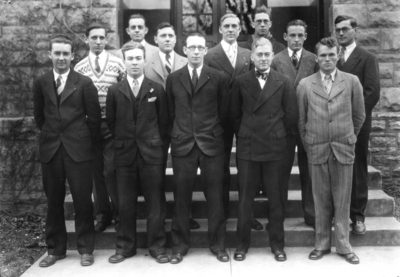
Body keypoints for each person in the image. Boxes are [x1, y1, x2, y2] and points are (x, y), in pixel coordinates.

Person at [33, 34, 101, 267]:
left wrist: (79, 139)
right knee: (54, 201)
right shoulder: (41, 82)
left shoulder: (84, 83)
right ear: (49, 55)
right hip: (51, 149)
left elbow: (94, 119)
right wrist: (55, 135)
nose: (61, 58)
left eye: (66, 53)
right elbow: (40, 118)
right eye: (57, 53)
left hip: (78, 150)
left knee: (82, 200)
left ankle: (85, 249)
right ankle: (56, 249)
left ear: (73, 56)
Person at [297, 37, 365, 264]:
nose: (327, 59)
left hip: (343, 148)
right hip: (317, 149)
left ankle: (344, 246)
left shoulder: (352, 81)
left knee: (343, 199)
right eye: (323, 55)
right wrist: (310, 143)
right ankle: (322, 243)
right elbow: (301, 120)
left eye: (331, 54)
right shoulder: (306, 84)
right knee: (320, 198)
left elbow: (359, 116)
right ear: (316, 58)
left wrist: (349, 137)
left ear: (338, 56)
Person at [230, 37, 298, 262]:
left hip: (274, 147)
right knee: (245, 200)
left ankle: (278, 245)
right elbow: (234, 114)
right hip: (248, 147)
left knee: (276, 199)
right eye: (259, 54)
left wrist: (275, 131)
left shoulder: (284, 81)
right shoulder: (241, 81)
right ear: (252, 56)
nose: (263, 58)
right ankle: (241, 245)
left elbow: (291, 115)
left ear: (272, 56)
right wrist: (247, 132)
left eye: (267, 54)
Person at [166, 32, 230, 264]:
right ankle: (180, 246)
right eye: (191, 47)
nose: (195, 51)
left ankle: (218, 245)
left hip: (211, 143)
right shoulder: (174, 78)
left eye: (199, 48)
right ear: (185, 50)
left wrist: (211, 131)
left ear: (205, 50)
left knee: (215, 197)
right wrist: (181, 132)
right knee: (181, 198)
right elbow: (171, 112)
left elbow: (224, 111)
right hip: (183, 143)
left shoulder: (218, 77)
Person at [106, 43, 169, 264]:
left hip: (151, 154)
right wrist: (125, 142)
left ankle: (157, 247)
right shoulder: (115, 90)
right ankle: (125, 247)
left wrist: (153, 143)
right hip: (125, 155)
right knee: (125, 204)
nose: (134, 62)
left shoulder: (156, 89)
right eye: (130, 59)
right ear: (124, 62)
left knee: (155, 204)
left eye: (138, 58)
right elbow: (111, 123)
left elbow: (164, 123)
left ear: (144, 61)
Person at [144, 22, 200, 229]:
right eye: (163, 36)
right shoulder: (145, 65)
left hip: (183, 128)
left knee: (183, 175)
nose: (167, 39)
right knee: (157, 174)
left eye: (170, 35)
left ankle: (185, 215)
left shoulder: (189, 62)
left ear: (176, 40)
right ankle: (160, 215)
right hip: (156, 127)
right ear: (155, 40)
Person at [74, 22, 125, 233]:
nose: (97, 41)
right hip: (89, 127)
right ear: (86, 39)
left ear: (106, 40)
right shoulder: (79, 68)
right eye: (93, 37)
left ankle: (120, 214)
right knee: (96, 173)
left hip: (112, 125)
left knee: (111, 170)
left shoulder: (118, 64)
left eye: (101, 38)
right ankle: (103, 215)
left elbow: (124, 93)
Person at [204, 13, 253, 228]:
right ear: (220, 30)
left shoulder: (248, 55)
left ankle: (246, 215)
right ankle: (220, 213)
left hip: (243, 118)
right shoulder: (210, 55)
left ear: (240, 30)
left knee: (246, 167)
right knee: (220, 167)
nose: (231, 29)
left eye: (235, 26)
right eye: (227, 26)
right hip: (219, 119)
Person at [334, 15, 380, 235]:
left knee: (357, 167)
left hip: (357, 125)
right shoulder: (331, 57)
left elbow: (372, 93)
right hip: (332, 123)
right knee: (334, 168)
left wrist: (354, 121)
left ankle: (358, 216)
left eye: (345, 29)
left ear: (355, 30)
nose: (341, 33)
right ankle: (336, 213)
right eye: (337, 30)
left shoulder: (367, 58)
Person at [271, 19, 318, 228]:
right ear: (285, 37)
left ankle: (312, 214)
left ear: (305, 37)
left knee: (309, 172)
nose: (296, 39)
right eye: (292, 35)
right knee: (282, 172)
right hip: (284, 126)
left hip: (308, 125)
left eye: (300, 35)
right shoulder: (276, 60)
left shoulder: (314, 60)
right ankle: (278, 215)